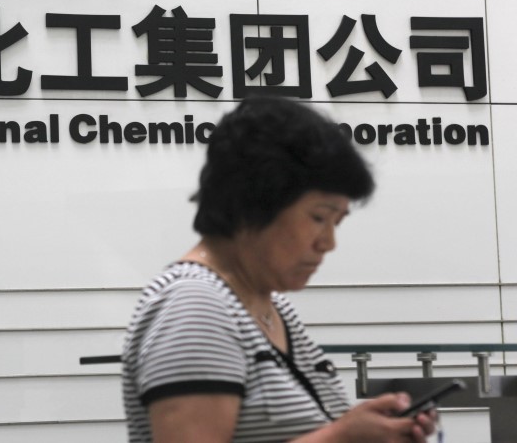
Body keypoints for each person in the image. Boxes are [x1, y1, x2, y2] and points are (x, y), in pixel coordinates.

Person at [122, 97, 436, 442]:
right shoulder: (196, 305)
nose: (328, 242)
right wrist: (341, 438)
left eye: (337, 222)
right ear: (253, 203)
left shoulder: (270, 305)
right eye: (318, 217)